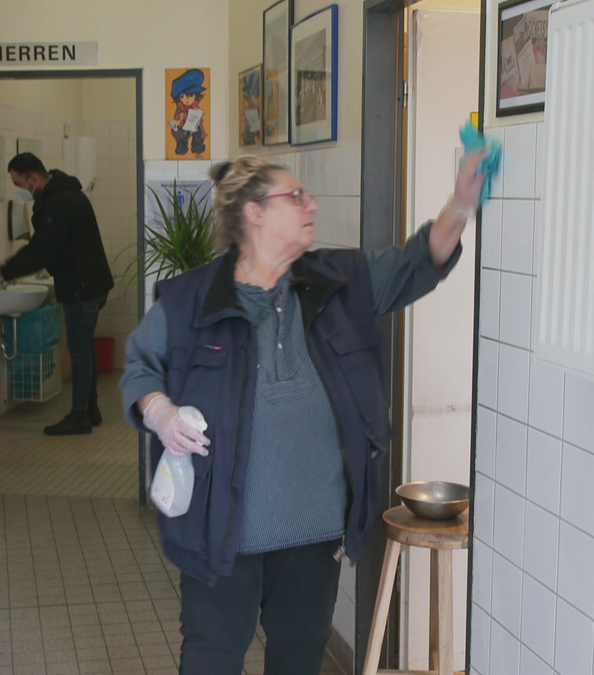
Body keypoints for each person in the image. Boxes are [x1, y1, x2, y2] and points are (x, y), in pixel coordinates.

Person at [119, 151, 485, 675]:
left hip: (313, 533)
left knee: (298, 662)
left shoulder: (342, 281)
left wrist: (461, 203)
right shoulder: (188, 300)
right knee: (211, 660)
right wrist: (159, 413)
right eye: (296, 196)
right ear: (254, 212)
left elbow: (418, 261)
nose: (311, 204)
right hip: (221, 527)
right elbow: (140, 367)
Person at [0, 153, 114, 435]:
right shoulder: (66, 194)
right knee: (85, 347)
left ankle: (80, 415)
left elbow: (41, 250)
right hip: (92, 283)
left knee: (79, 351)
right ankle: (90, 408)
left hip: (81, 286)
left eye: (18, 182)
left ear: (33, 178)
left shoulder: (58, 202)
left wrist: (5, 270)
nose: (18, 188)